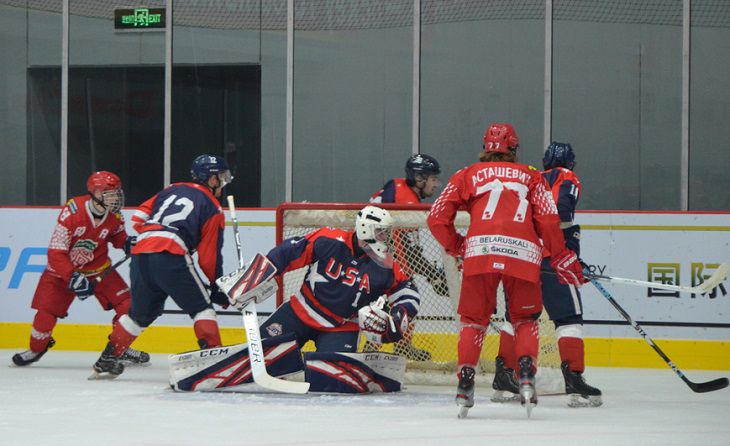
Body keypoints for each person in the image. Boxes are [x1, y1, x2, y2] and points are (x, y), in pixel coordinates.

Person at [427, 123, 585, 418]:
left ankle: (465, 382)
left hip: (480, 250)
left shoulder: (466, 174)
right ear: (514, 149)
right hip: (522, 253)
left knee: (474, 321)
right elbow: (550, 220)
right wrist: (559, 254)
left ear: (485, 148)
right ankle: (525, 375)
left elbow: (437, 217)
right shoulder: (531, 175)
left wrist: (457, 245)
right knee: (525, 318)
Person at [89, 155, 232, 379]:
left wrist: (154, 233)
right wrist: (217, 285)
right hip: (171, 253)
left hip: (141, 253)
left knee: (139, 315)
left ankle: (106, 360)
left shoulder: (171, 189)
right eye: (221, 177)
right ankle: (214, 364)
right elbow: (209, 256)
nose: (223, 183)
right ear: (211, 179)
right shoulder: (212, 206)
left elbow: (137, 218)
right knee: (202, 308)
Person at [491, 141, 602, 407]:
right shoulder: (568, 177)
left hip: (520, 257)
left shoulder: (532, 178)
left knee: (517, 317)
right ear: (572, 163)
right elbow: (561, 214)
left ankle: (504, 380)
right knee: (568, 318)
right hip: (551, 260)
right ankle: (575, 384)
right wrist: (569, 256)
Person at [11, 171, 149, 368]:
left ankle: (119, 349)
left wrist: (126, 243)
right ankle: (36, 348)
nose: (115, 198)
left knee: (127, 305)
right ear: (96, 193)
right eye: (110, 193)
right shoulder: (72, 211)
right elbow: (56, 252)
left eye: (116, 193)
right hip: (61, 272)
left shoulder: (115, 216)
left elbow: (116, 236)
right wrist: (72, 276)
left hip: (99, 269)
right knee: (45, 315)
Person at [259, 205, 420, 355]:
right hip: (300, 311)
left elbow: (407, 290)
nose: (385, 238)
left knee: (332, 378)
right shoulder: (329, 240)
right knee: (260, 355)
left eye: (386, 232)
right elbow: (286, 253)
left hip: (342, 326)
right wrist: (257, 276)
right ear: (365, 230)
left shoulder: (386, 265)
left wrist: (401, 313)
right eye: (380, 232)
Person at [368, 154, 442, 361]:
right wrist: (432, 274)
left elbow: (409, 248)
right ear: (419, 179)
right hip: (381, 263)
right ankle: (374, 348)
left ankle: (398, 346)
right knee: (392, 301)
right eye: (433, 179)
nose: (436, 184)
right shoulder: (404, 197)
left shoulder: (401, 190)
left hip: (384, 261)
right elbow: (408, 250)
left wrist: (430, 274)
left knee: (403, 299)